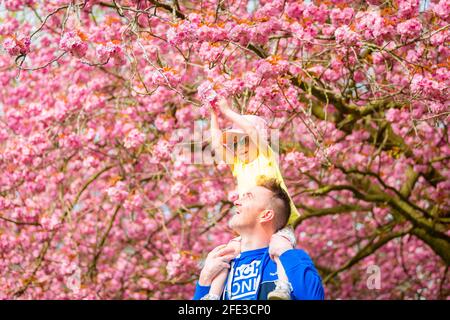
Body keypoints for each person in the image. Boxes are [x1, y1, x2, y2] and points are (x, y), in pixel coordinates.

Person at [206, 99, 301, 299]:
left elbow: (251, 130)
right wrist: (214, 115)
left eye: (244, 141)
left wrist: (227, 111)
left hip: (278, 223)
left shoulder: (265, 158)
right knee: (227, 253)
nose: (240, 146)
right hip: (253, 224)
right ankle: (213, 296)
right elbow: (216, 143)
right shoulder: (239, 166)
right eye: (236, 142)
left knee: (279, 247)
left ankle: (283, 287)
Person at [193, 177, 324, 300]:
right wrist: (204, 280)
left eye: (248, 197)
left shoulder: (289, 259)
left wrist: (286, 253)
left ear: (266, 215)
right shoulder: (221, 266)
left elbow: (314, 297)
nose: (236, 202)